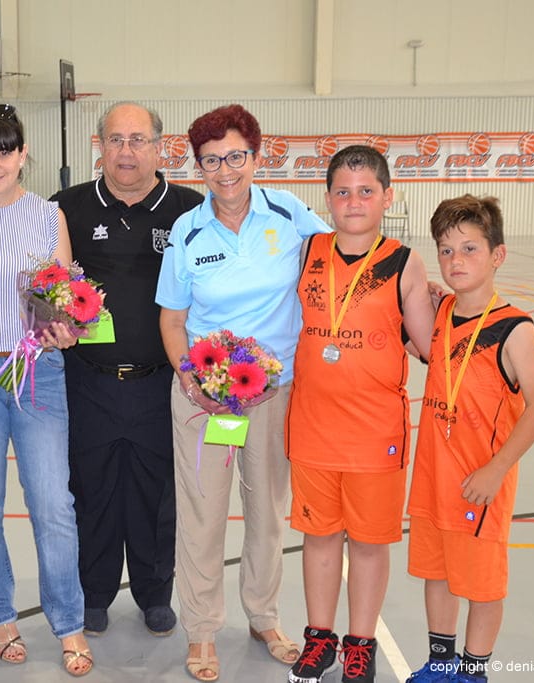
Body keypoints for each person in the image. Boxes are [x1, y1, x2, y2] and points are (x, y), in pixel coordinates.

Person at [155, 104, 331, 682]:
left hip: (272, 393)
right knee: (202, 513)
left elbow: (348, 258)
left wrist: (411, 280)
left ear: (256, 156)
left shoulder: (290, 213)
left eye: (235, 156)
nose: (225, 170)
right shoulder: (187, 230)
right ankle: (202, 632)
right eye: (211, 160)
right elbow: (173, 320)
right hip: (205, 395)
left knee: (268, 513)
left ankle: (263, 616)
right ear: (198, 166)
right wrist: (191, 380)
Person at [0, 103, 93, 677]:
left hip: (37, 372)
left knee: (54, 503)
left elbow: (68, 300)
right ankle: (0, 617)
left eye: (4, 149)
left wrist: (66, 331)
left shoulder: (48, 216)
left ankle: (68, 622)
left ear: (24, 155)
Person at [50, 102, 203, 638]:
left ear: (161, 147)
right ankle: (93, 594)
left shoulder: (189, 209)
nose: (126, 151)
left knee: (155, 491)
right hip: (87, 378)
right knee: (89, 489)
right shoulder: (65, 208)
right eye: (116, 140)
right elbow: (46, 289)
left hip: (161, 380)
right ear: (100, 147)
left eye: (138, 140)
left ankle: (154, 592)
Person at [284, 145, 435, 683]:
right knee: (319, 537)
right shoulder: (306, 251)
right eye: (343, 192)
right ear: (327, 199)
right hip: (312, 426)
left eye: (366, 191)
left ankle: (360, 643)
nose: (354, 201)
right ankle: (319, 638)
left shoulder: (404, 262)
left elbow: (429, 345)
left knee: (369, 544)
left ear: (387, 197)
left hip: (375, 433)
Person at [405, 195, 534, 683]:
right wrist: (414, 295)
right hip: (433, 476)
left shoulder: (515, 329)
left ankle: (473, 670)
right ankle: (441, 661)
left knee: (483, 584)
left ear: (498, 255)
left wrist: (496, 469)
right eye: (446, 250)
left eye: (469, 249)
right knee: (437, 571)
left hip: (479, 483)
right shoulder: (443, 310)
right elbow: (418, 345)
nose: (456, 261)